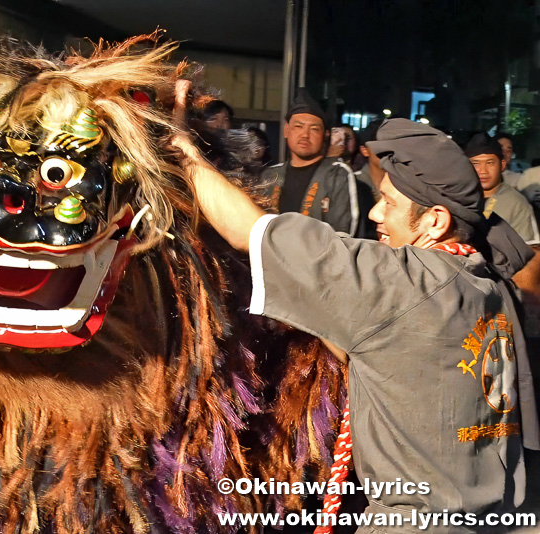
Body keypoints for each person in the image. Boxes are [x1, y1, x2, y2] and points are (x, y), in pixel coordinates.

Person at [173, 83, 539, 532]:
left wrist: (182, 150)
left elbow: (248, 230)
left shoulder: (400, 283)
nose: (374, 215)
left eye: (389, 203)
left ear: (436, 221)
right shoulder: (487, 281)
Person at [258, 88, 359, 235]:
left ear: (325, 135)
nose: (305, 135)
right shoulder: (270, 175)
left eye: (314, 129)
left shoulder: (337, 174)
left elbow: (344, 233)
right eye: (298, 127)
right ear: (287, 130)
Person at [465, 133, 539, 243]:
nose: (483, 171)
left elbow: (531, 251)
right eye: (476, 164)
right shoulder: (458, 196)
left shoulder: (515, 202)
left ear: (502, 165)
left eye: (490, 163)